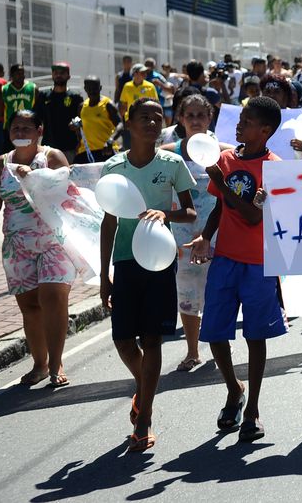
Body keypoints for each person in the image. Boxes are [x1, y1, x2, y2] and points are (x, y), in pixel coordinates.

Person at [185, 96, 285, 443]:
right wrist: (205, 236)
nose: (239, 126)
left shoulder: (275, 167)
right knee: (214, 332)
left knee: (255, 336)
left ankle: (253, 409)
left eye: (247, 121)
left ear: (265, 130)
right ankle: (233, 388)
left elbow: (252, 213)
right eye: (239, 119)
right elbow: (220, 209)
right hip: (225, 259)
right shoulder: (225, 159)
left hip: (259, 262)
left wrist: (221, 180)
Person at [99, 98, 196, 452]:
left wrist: (165, 213)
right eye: (145, 117)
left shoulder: (172, 163)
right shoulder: (113, 166)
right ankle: (145, 390)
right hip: (125, 262)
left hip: (158, 261)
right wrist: (104, 276)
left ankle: (144, 418)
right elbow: (108, 222)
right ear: (129, 122)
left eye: (159, 117)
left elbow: (189, 211)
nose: (153, 123)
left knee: (153, 339)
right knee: (124, 340)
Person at [0, 110, 75, 386]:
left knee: (53, 297)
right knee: (30, 306)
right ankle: (40, 364)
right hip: (17, 245)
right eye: (15, 128)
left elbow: (68, 190)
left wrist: (35, 177)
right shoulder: (0, 165)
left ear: (39, 131)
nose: (19, 133)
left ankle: (56, 363)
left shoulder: (51, 157)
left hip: (53, 241)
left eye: (26, 128)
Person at [161, 94, 229, 372]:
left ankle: (219, 345)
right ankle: (192, 352)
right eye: (190, 115)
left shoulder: (225, 152)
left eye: (201, 115)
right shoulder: (167, 154)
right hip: (181, 238)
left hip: (220, 235)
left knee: (219, 293)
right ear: (180, 119)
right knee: (187, 295)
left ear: (210, 118)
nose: (196, 121)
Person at [33, 62, 85, 162]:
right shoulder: (43, 96)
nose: (58, 75)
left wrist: (77, 123)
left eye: (62, 73)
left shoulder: (76, 97)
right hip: (48, 148)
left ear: (68, 76)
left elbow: (82, 119)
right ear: (52, 75)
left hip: (70, 148)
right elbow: (35, 119)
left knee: (68, 176)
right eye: (55, 72)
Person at [73, 76, 123, 163]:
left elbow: (120, 124)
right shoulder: (82, 106)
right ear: (85, 89)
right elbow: (79, 125)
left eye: (95, 88)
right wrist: (74, 126)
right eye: (89, 88)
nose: (92, 91)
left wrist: (110, 140)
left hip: (106, 150)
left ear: (100, 88)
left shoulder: (108, 104)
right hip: (86, 152)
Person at [1, 63, 36, 134]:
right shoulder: (4, 89)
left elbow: (38, 110)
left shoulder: (33, 88)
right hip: (10, 128)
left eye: (22, 73)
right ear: (12, 75)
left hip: (28, 127)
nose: (22, 76)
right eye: (18, 74)